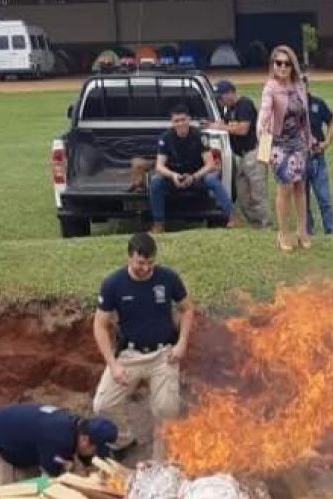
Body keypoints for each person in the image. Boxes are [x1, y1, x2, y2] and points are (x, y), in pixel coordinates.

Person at [92, 232, 193, 455]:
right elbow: (100, 325)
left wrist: (182, 343)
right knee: (103, 405)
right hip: (129, 356)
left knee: (167, 409)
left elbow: (187, 309)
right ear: (129, 257)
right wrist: (113, 365)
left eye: (150, 262)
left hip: (163, 354)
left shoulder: (168, 278)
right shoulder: (113, 284)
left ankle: (161, 460)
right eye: (140, 263)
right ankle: (124, 438)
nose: (146, 268)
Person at [0, 403, 117, 480]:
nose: (94, 456)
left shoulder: (74, 426)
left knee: (31, 482)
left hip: (15, 441)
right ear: (85, 440)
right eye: (95, 451)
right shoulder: (59, 440)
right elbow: (55, 480)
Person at [259, 45, 313, 252]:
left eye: (286, 63)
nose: (282, 67)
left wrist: (309, 139)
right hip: (278, 144)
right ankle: (283, 233)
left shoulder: (299, 86)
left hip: (298, 143)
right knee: (285, 187)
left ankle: (302, 231)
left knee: (300, 186)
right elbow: (264, 116)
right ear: (273, 65)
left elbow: (305, 117)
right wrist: (264, 144)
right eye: (278, 63)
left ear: (293, 66)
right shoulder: (270, 87)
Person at [149, 103, 234, 233]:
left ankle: (232, 218)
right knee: (155, 182)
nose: (180, 124)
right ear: (172, 122)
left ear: (189, 119)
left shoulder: (199, 136)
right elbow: (159, 166)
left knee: (212, 180)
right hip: (175, 178)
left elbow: (210, 164)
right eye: (176, 121)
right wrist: (173, 176)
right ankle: (159, 223)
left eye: (183, 119)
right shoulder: (165, 138)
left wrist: (194, 177)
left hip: (196, 176)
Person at [210, 80, 271, 228]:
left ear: (231, 93)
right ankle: (256, 224)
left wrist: (221, 127)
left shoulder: (245, 104)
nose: (220, 100)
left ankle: (266, 225)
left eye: (221, 96)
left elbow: (243, 129)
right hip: (241, 156)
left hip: (255, 151)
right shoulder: (228, 111)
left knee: (258, 193)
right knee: (242, 195)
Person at [303, 75, 333, 236]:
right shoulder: (289, 107)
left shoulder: (317, 104)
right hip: (298, 159)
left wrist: (326, 142)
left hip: (317, 158)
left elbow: (331, 122)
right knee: (302, 199)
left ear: (307, 87)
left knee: (324, 197)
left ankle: (330, 229)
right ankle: (307, 230)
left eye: (303, 86)